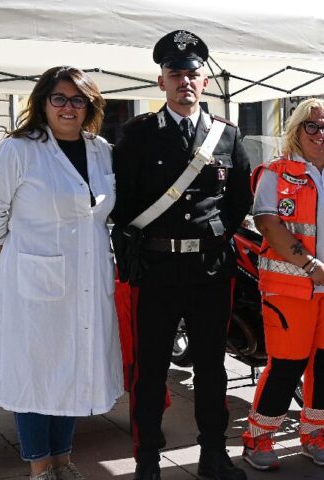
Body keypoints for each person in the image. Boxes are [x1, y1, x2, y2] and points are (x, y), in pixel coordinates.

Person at [112, 30, 253, 480]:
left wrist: (212, 237)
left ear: (205, 82)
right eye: (176, 73)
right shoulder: (137, 135)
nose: (185, 81)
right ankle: (148, 459)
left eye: (193, 73)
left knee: (213, 368)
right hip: (156, 269)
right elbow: (124, 202)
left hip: (209, 270)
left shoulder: (227, 137)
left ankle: (214, 452)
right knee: (150, 369)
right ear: (161, 82)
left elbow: (238, 203)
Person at [0, 66, 121, 480]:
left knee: (76, 366)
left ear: (90, 105)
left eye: (78, 99)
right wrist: (17, 249)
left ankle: (64, 460)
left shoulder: (100, 149)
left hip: (88, 280)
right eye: (60, 98)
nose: (68, 107)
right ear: (42, 102)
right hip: (36, 284)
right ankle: (41, 468)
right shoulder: (18, 150)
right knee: (38, 373)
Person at [240, 98, 324, 470]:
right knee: (286, 364)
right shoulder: (276, 173)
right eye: (311, 126)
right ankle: (258, 438)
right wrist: (309, 263)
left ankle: (314, 434)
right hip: (291, 289)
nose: (319, 133)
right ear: (297, 129)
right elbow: (268, 223)